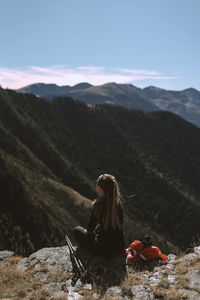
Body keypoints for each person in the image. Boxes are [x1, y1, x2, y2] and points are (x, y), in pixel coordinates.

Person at [74, 174, 125, 258]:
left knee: (77, 230)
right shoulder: (117, 204)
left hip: (102, 250)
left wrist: (90, 233)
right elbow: (120, 225)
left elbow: (90, 229)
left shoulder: (99, 205)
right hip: (118, 248)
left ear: (100, 187)